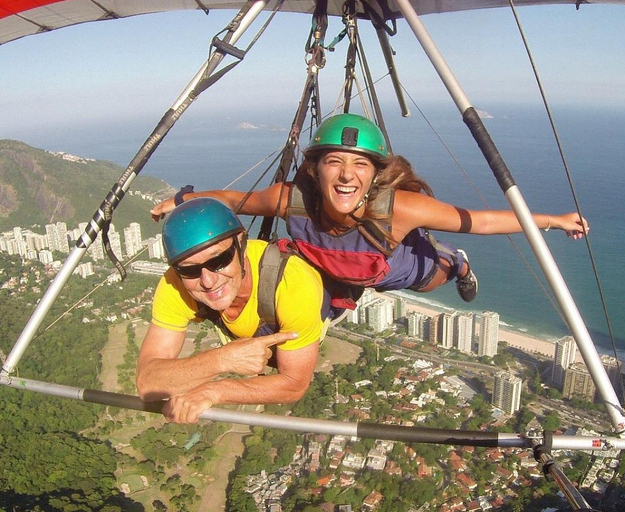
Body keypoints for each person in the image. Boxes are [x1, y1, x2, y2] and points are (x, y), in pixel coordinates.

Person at [151, 113, 588, 310]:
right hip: (340, 267)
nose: (346, 175)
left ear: (373, 173)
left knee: (434, 278)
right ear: (316, 168)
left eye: (359, 163)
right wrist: (183, 200)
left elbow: (484, 220)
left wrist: (553, 221)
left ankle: (456, 263)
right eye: (334, 161)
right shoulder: (292, 200)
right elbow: (234, 200)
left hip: (396, 265)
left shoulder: (398, 209)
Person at [136, 197, 326, 424]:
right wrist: (222, 360)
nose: (208, 281)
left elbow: (294, 384)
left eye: (219, 260)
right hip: (244, 335)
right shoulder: (175, 284)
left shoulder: (293, 285)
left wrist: (213, 391)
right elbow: (147, 382)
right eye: (190, 270)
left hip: (304, 312)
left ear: (241, 244)